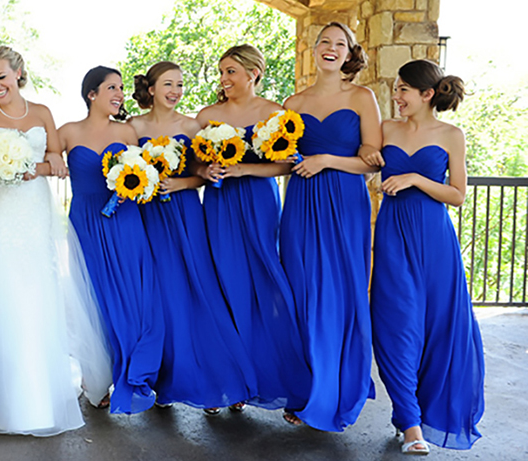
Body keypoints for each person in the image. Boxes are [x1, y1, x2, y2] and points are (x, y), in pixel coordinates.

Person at [0, 46, 110, 436]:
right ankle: (0, 397)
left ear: (18, 73)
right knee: (1, 292)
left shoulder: (43, 113)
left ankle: (41, 396)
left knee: (37, 293)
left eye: (1, 77)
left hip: (34, 211)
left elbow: (57, 164)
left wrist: (33, 167)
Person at [129, 61, 258, 414]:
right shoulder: (133, 127)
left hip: (186, 213)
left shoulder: (192, 125)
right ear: (151, 88)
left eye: (180, 85)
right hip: (149, 216)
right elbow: (125, 166)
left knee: (201, 291)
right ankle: (168, 380)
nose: (176, 91)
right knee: (162, 296)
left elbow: (205, 172)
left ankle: (221, 380)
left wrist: (181, 183)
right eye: (168, 84)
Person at [369, 59, 484, 454]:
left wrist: (416, 178)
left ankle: (415, 412)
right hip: (393, 237)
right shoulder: (386, 129)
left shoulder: (452, 135)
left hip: (435, 241)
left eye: (403, 89)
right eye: (396, 89)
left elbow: (457, 194)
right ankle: (410, 425)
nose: (396, 96)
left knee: (437, 328)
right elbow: (366, 162)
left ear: (427, 94)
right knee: (396, 323)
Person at [192, 46, 310, 413]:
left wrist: (245, 169)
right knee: (224, 283)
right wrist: (205, 170)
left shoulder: (275, 113)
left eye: (230, 71)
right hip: (220, 203)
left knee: (265, 283)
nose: (224, 79)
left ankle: (279, 376)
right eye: (222, 72)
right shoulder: (207, 115)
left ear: (253, 73)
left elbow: (287, 165)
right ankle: (227, 383)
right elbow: (193, 162)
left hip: (259, 202)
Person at [280, 22, 381, 431]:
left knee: (341, 292)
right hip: (301, 203)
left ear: (349, 54)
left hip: (344, 203)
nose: (331, 48)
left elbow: (371, 159)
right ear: (314, 48)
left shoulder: (362, 97)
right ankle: (305, 390)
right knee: (301, 291)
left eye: (341, 44)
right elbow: (283, 156)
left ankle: (337, 390)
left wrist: (325, 160)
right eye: (325, 41)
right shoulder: (293, 102)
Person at [59, 66, 162, 414]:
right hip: (85, 222)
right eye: (112, 88)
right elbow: (46, 159)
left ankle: (136, 373)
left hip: (125, 220)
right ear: (92, 94)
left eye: (120, 88)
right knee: (94, 297)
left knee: (135, 296)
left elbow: (145, 173)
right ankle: (98, 377)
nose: (119, 94)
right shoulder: (68, 132)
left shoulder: (128, 131)